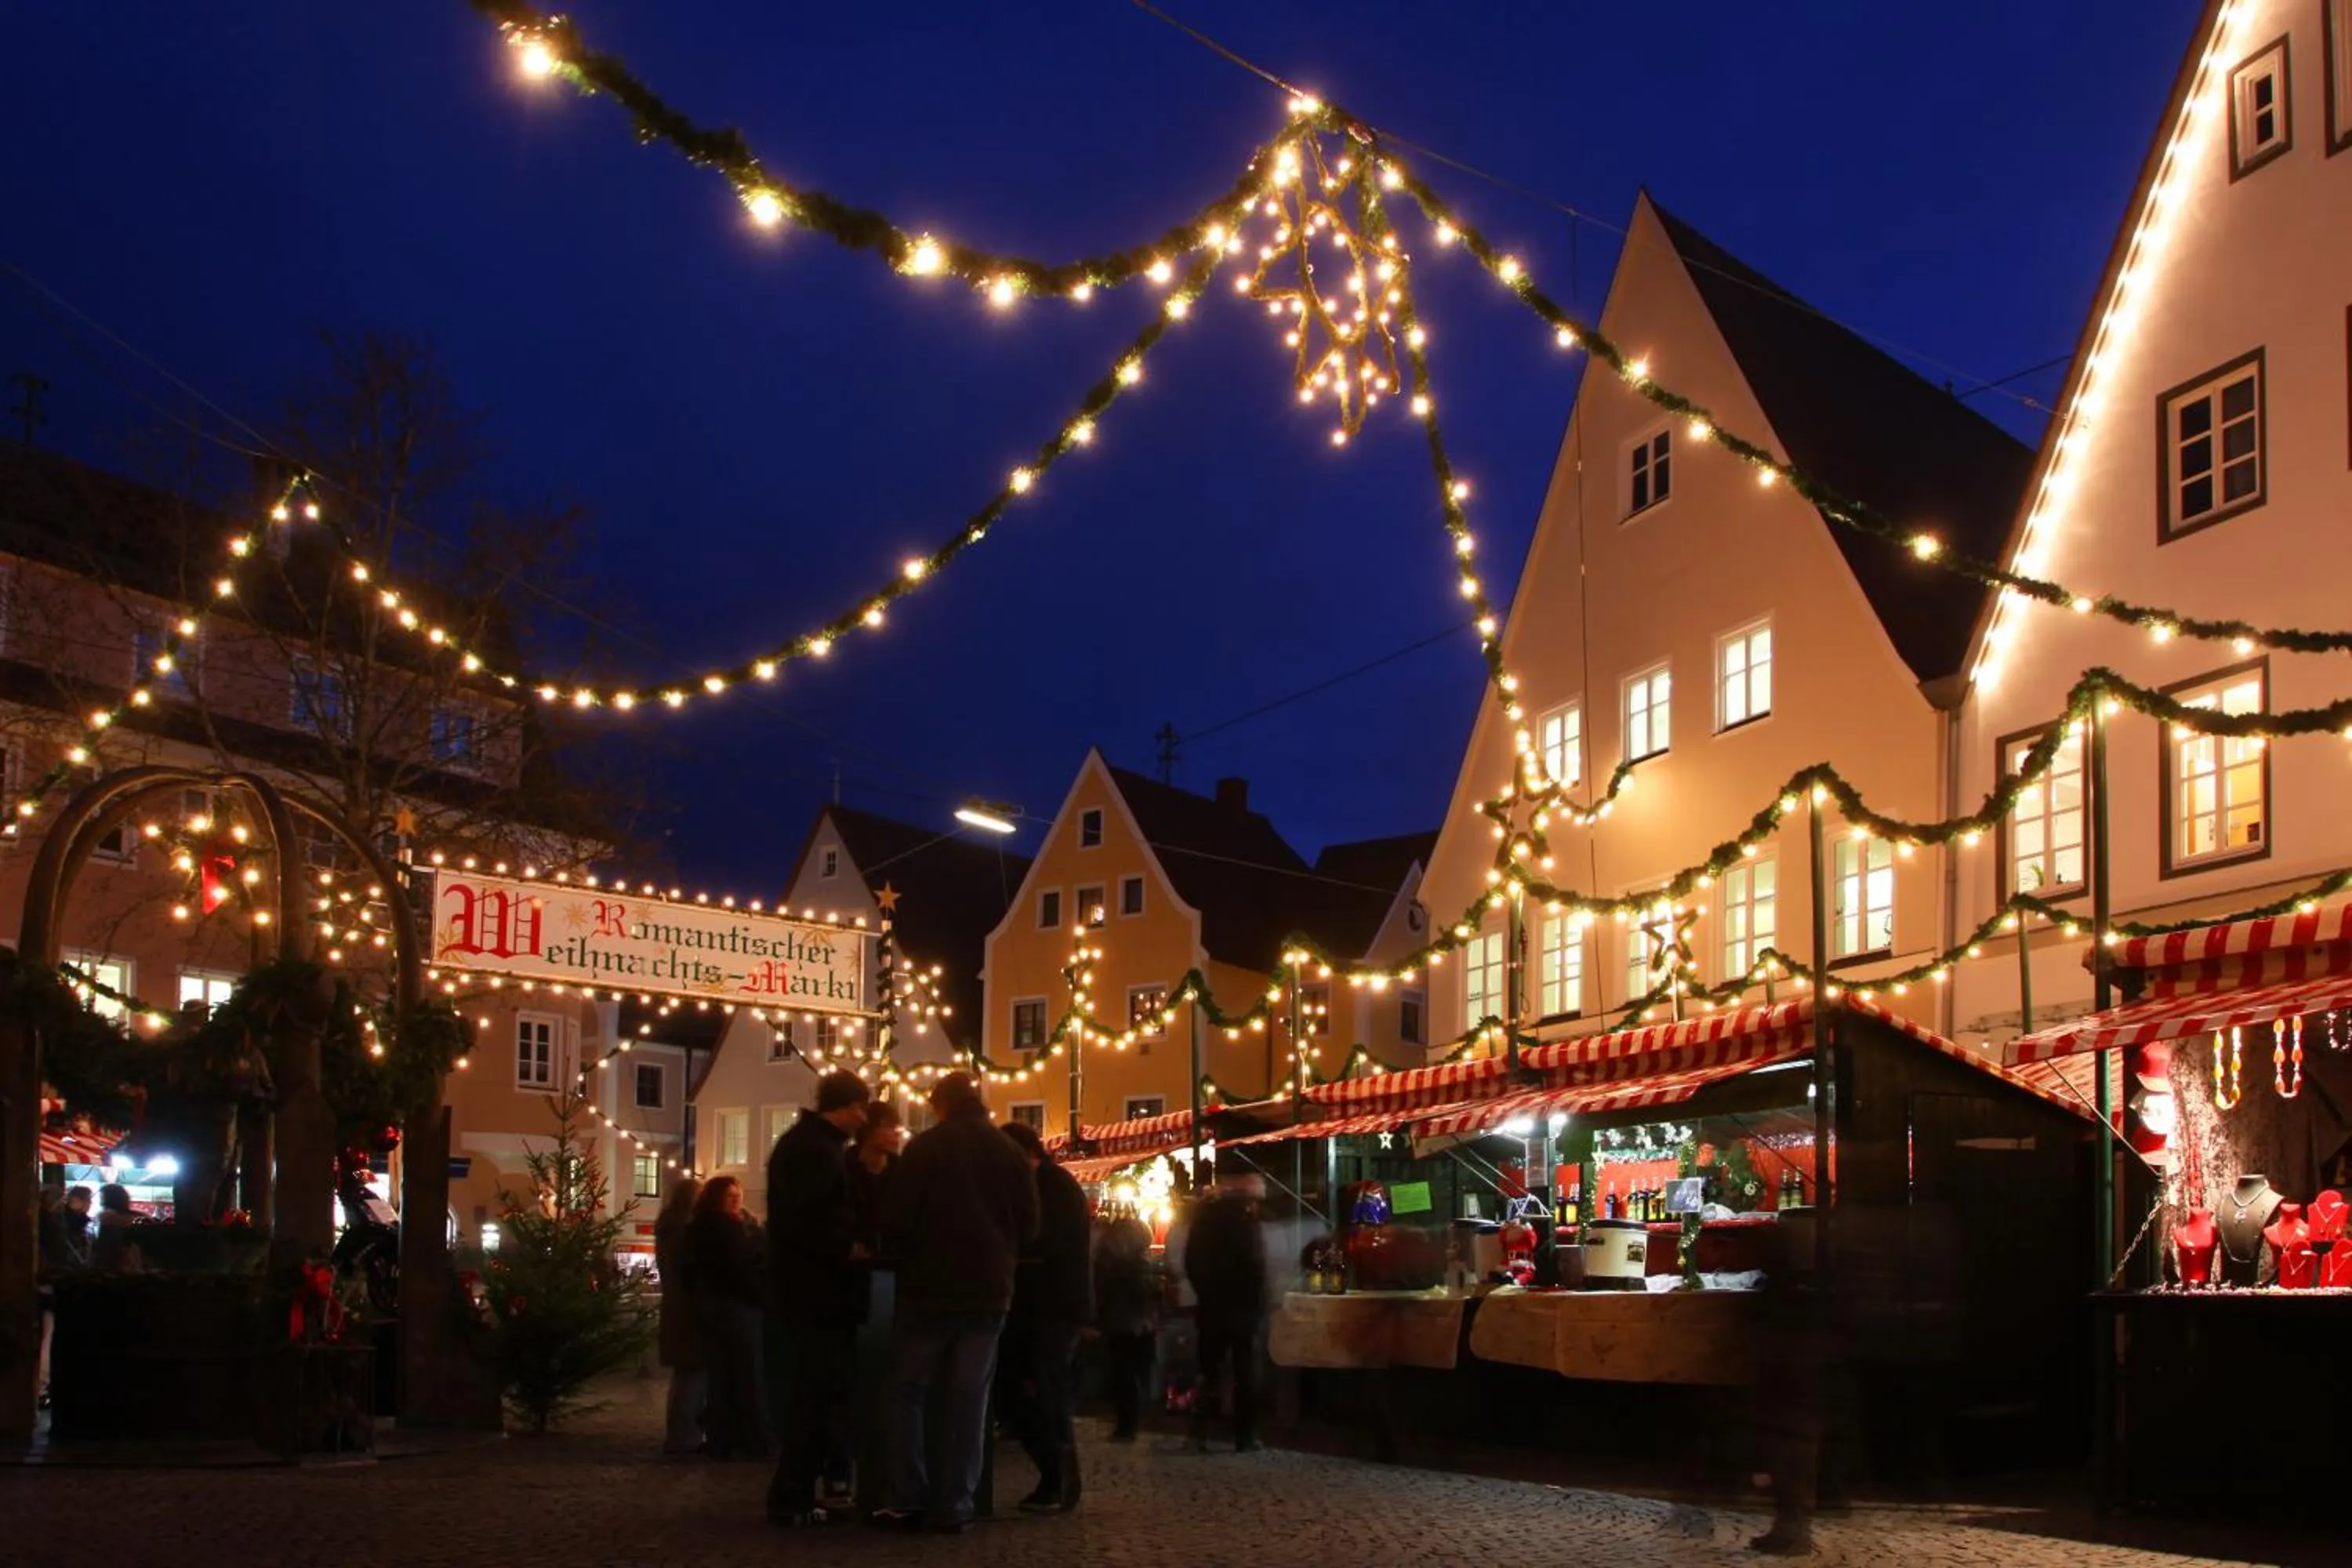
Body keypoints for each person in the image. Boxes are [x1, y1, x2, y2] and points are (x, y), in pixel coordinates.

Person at [873, 1072, 1038, 1534]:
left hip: (929, 1289)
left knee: (907, 1392)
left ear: (939, 1105)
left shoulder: (926, 1149)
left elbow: (896, 1219)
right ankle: (956, 1503)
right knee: (969, 1401)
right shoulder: (1009, 1152)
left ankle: (909, 1496)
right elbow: (1030, 1225)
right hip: (989, 1291)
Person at [764, 1069, 871, 1528]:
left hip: (809, 1288)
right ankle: (792, 1497)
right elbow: (805, 1220)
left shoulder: (809, 1145)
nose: (864, 1118)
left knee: (817, 1396)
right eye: (861, 1108)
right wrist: (846, 1245)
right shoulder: (815, 1151)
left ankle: (799, 1493)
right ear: (843, 1107)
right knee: (815, 1397)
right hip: (817, 1290)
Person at [1001, 1120, 1092, 1514]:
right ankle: (1056, 1477)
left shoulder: (1054, 1187)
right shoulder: (1047, 1184)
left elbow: (1045, 1241)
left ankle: (1059, 1479)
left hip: (1053, 1305)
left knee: (1045, 1390)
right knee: (1028, 1390)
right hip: (1044, 1304)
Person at [686, 1174, 771, 1461]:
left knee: (720, 1377)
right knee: (747, 1376)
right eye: (730, 1197)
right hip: (736, 1308)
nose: (736, 1201)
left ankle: (721, 1441)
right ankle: (755, 1442)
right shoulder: (728, 1230)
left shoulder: (699, 1227)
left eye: (738, 1195)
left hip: (713, 1308)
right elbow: (740, 1269)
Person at [1183, 1173, 1269, 1453]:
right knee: (1245, 1373)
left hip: (1211, 1306)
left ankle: (1201, 1431)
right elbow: (1255, 1266)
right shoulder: (1246, 1223)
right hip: (1243, 1308)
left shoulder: (1203, 1220)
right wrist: (1256, 1301)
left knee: (1208, 1369)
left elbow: (1191, 1261)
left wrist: (1205, 1291)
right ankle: (1244, 1435)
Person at [1093, 1212, 1159, 1442]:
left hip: (1122, 1323)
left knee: (1124, 1376)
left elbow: (1104, 1293)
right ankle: (1134, 1420)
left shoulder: (1112, 1264)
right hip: (1141, 1323)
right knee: (1136, 1374)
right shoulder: (1142, 1264)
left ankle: (1127, 1425)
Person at [652, 1175, 705, 1457]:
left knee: (686, 1376)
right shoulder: (683, 1232)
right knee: (691, 1376)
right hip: (687, 1311)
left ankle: (683, 1435)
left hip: (676, 1308)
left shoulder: (669, 1228)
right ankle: (684, 1438)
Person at [847, 1099, 905, 1254]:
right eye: (888, 1126)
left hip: (892, 1255)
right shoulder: (844, 1167)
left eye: (896, 1127)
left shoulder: (902, 1170)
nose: (896, 1133)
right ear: (868, 1131)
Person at [89, 1182, 143, 1273]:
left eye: (101, 1198)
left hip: (114, 1268)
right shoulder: (137, 1219)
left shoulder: (107, 1220)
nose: (100, 1202)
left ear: (108, 1199)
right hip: (136, 1267)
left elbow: (104, 1249)